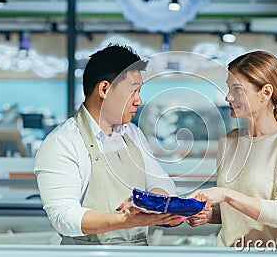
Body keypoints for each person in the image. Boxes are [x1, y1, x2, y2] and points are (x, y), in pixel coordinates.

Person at [34, 44, 180, 245]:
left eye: (139, 91)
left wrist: (150, 204)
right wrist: (123, 220)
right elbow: (63, 217)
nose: (138, 100)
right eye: (133, 91)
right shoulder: (62, 142)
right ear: (104, 89)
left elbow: (162, 182)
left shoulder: (133, 134)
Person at [187, 51, 277, 248]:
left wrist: (225, 194)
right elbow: (235, 213)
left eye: (237, 89)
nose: (228, 97)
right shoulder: (229, 142)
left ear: (266, 92)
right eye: (229, 88)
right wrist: (209, 215)